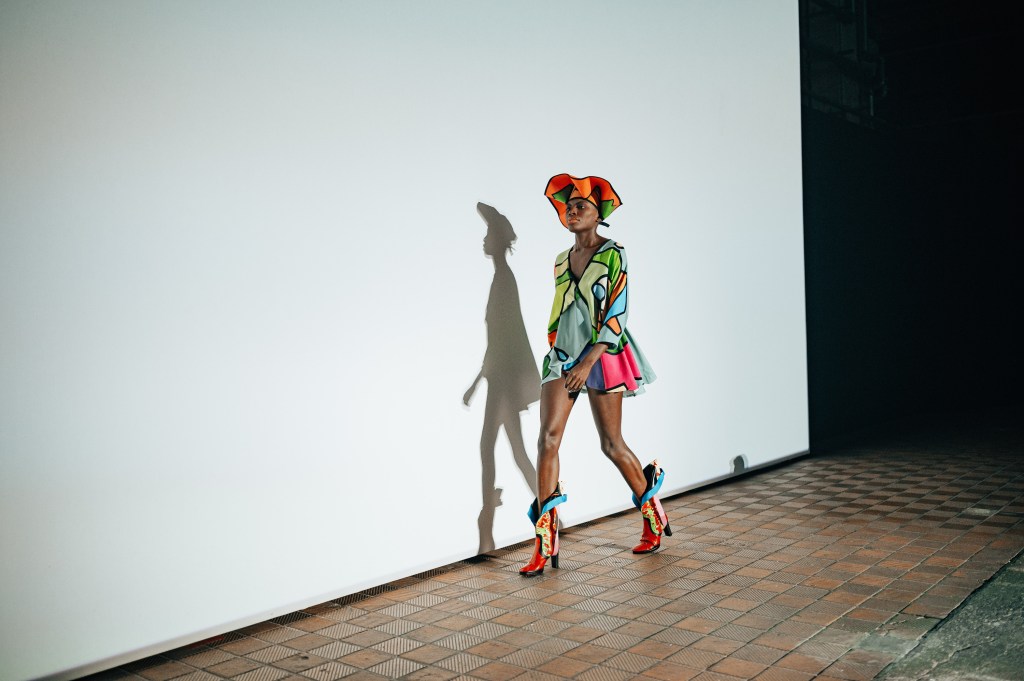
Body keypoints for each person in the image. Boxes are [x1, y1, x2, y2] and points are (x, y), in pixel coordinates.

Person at [520, 173, 670, 577]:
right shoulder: (558, 260)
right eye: (568, 207)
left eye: (580, 206)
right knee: (547, 439)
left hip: (603, 353)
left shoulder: (613, 254)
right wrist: (561, 352)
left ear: (597, 214)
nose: (572, 211)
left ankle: (652, 513)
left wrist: (589, 362)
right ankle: (545, 540)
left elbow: (617, 312)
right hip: (563, 355)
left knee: (611, 443)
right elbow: (560, 311)